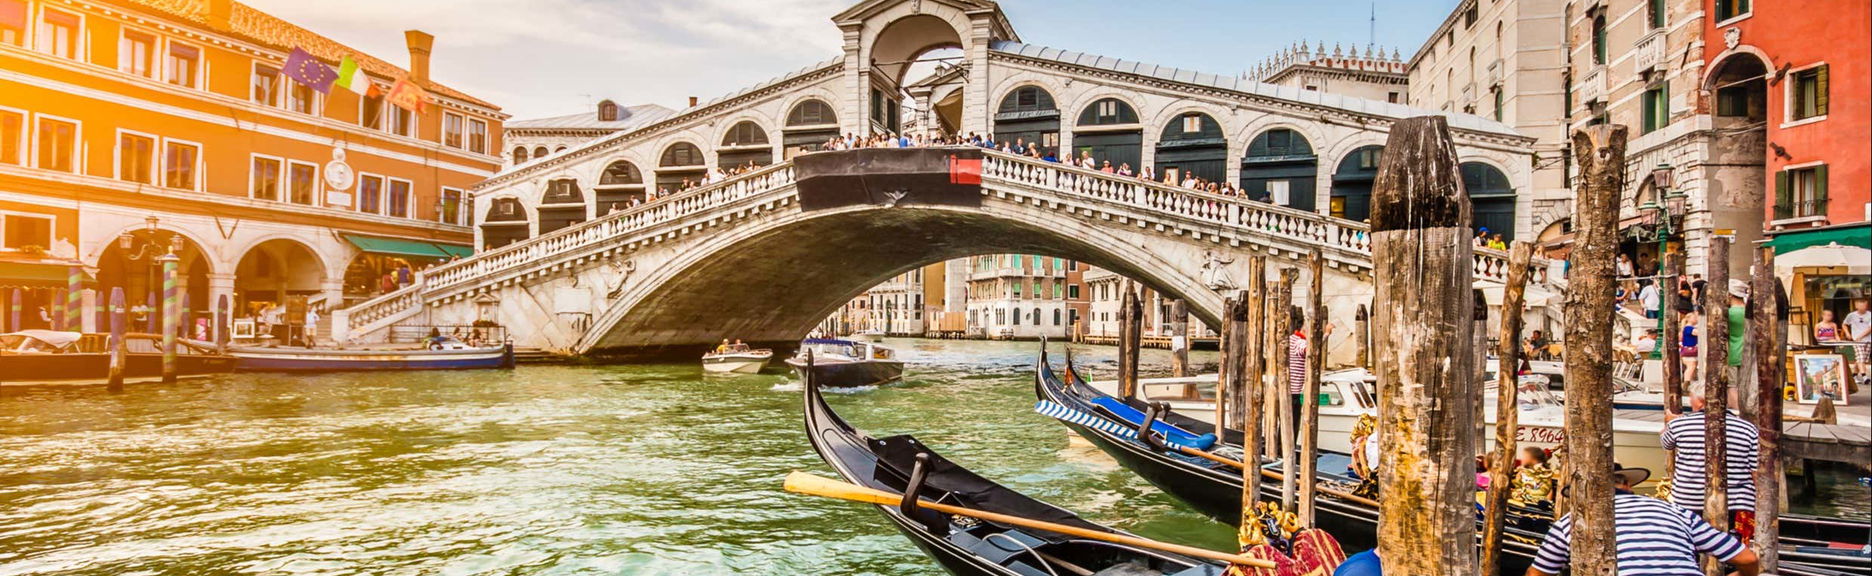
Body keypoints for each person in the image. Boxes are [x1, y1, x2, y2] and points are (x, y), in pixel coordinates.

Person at [1525, 463, 1758, 576]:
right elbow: (1747, 559)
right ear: (1627, 485)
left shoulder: (1570, 522)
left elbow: (1537, 574)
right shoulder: (1676, 511)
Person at [1661, 383, 1761, 542]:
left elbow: (1667, 444)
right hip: (1738, 501)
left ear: (1699, 401)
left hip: (1689, 500)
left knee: (1692, 544)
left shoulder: (1678, 425)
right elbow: (1756, 471)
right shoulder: (1748, 429)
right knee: (1733, 546)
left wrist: (1669, 423)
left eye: (1691, 398)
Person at [1845, 299, 1872, 384]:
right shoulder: (1851, 315)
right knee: (1861, 357)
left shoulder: (1870, 315)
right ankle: (1865, 377)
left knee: (1861, 359)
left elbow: (1870, 328)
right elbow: (1844, 324)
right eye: (1860, 305)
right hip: (1856, 341)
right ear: (1856, 306)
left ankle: (1854, 375)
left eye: (1864, 305)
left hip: (1867, 340)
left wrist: (1861, 336)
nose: (1863, 307)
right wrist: (1847, 333)